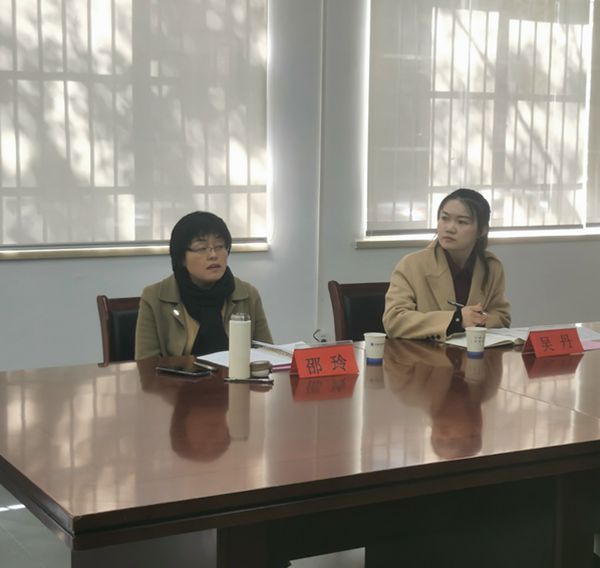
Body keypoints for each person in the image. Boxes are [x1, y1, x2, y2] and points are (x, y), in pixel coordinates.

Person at [135, 211, 272, 359]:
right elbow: (147, 364)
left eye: (220, 246)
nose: (213, 255)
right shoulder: (154, 298)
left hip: (237, 374)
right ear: (181, 258)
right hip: (178, 375)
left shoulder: (247, 294)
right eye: (201, 248)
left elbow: (267, 355)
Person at [383, 188, 511, 341]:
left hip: (475, 353)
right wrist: (456, 320)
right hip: (424, 354)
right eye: (444, 218)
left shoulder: (491, 266)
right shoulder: (412, 265)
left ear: (481, 230)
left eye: (462, 222)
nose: (449, 228)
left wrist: (478, 320)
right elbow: (394, 321)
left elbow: (502, 317)